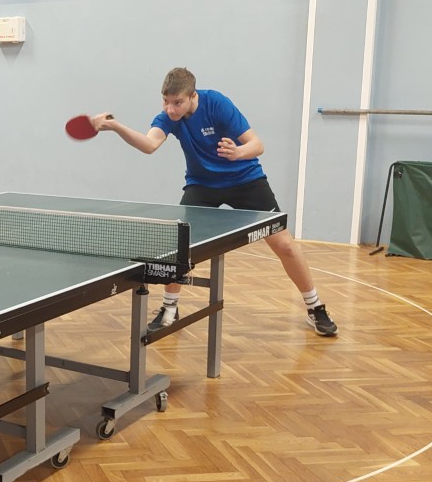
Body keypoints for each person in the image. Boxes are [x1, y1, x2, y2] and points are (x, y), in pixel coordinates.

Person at [90, 67, 338, 337]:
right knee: (179, 245)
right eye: (165, 101)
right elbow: (149, 145)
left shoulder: (217, 104)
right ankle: (170, 308)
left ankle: (315, 307)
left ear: (192, 95)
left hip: (245, 180)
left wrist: (238, 152)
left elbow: (257, 145)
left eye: (177, 102)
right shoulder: (170, 117)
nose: (170, 109)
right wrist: (116, 126)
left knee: (284, 245)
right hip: (202, 186)